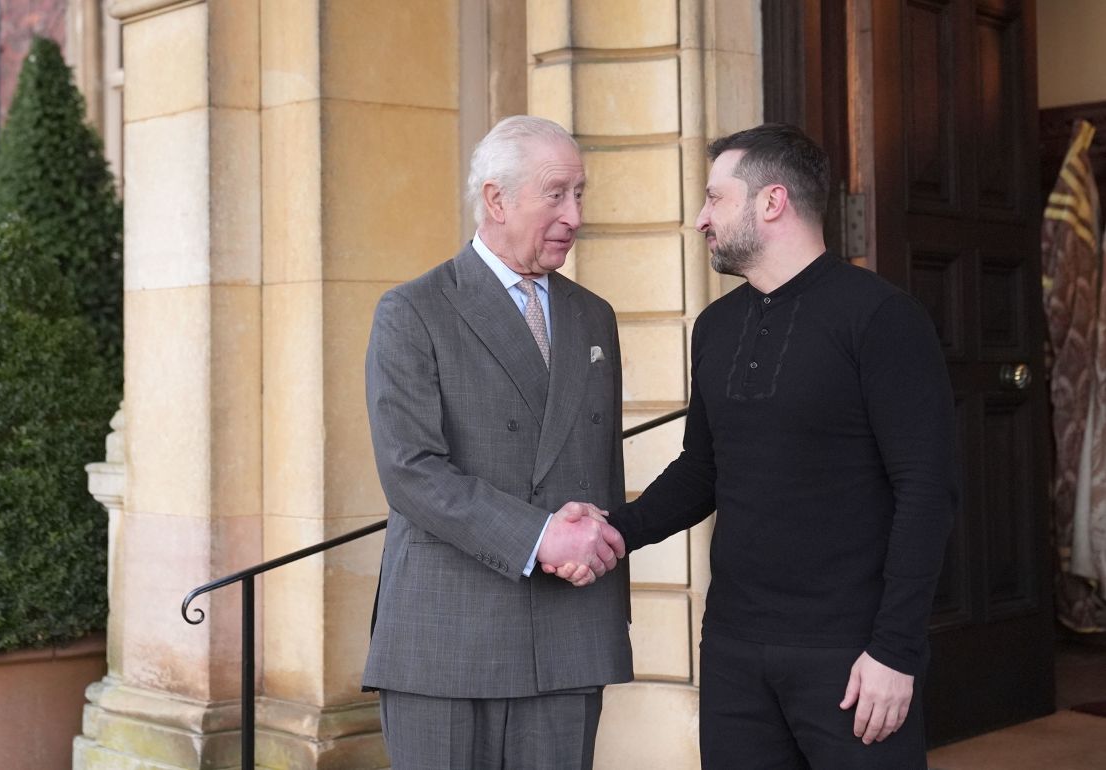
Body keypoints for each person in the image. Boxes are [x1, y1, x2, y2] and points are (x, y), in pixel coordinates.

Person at [551, 123, 957, 768]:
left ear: (771, 202)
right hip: (735, 647)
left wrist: (896, 651)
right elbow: (702, 469)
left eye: (715, 198)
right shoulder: (717, 325)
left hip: (851, 655)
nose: (699, 219)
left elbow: (927, 490)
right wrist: (615, 534)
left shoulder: (881, 318)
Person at [361, 115, 632, 770]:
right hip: (448, 637)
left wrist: (593, 553)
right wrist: (542, 537)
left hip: (569, 634)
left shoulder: (593, 315)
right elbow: (411, 470)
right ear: (496, 199)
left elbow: (601, 469)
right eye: (557, 193)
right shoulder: (414, 311)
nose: (575, 213)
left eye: (580, 193)